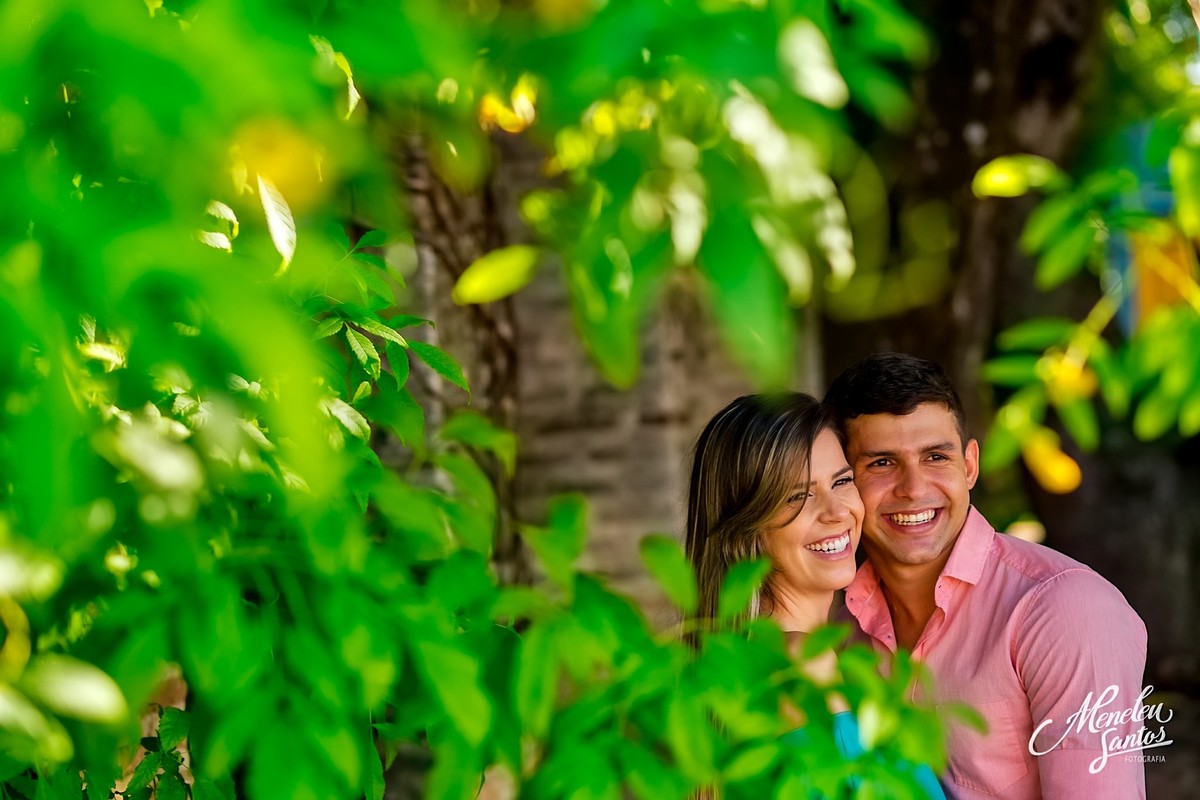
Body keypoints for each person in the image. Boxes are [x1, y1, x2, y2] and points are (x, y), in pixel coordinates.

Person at [825, 353, 1148, 799]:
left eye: (936, 456)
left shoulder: (1066, 611)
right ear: (843, 482)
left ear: (970, 464)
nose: (914, 489)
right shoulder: (839, 630)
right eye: (881, 463)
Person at [684, 392, 945, 799]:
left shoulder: (742, 661)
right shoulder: (802, 663)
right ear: (747, 528)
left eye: (841, 482)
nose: (836, 511)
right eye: (797, 495)